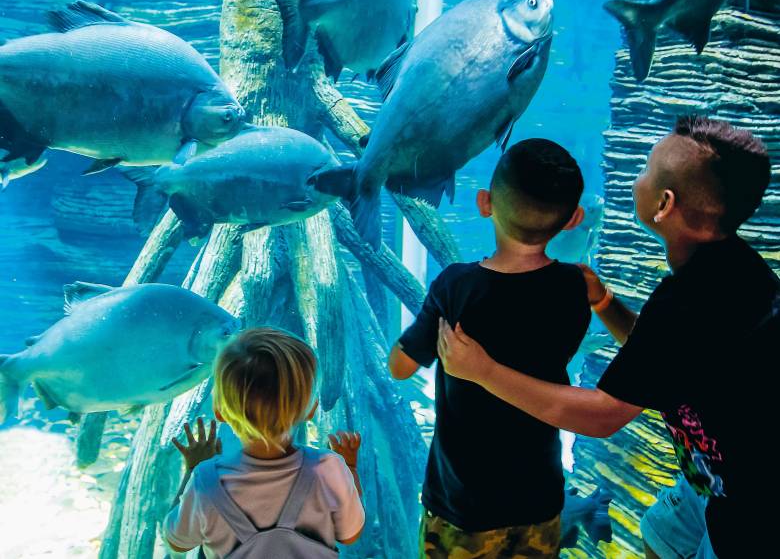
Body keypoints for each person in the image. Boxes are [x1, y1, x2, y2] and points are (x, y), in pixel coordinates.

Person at [437, 116, 778, 559]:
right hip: (714, 476)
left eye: (644, 172)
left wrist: (483, 371)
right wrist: (604, 302)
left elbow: (602, 415)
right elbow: (663, 355)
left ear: (664, 204)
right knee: (660, 538)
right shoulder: (729, 268)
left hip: (757, 506)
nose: (637, 178)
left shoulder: (690, 300)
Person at [389, 139, 592, 558]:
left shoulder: (456, 286)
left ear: (485, 203)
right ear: (574, 219)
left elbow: (401, 367)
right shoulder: (574, 286)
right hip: (538, 499)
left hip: (464, 507)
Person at [163, 327, 365, 558]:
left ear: (219, 410)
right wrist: (350, 469)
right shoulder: (329, 468)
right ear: (312, 408)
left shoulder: (206, 480)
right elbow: (350, 534)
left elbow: (177, 542)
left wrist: (192, 469)